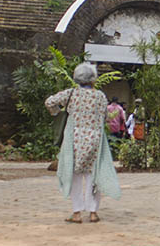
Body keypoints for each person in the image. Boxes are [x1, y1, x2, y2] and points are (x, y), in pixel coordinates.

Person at [45, 62, 120, 223]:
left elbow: (50, 102)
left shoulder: (71, 93)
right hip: (95, 139)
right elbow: (105, 117)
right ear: (93, 78)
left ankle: (77, 213)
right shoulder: (100, 96)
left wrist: (57, 112)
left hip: (75, 138)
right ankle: (93, 212)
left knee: (75, 176)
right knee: (94, 175)